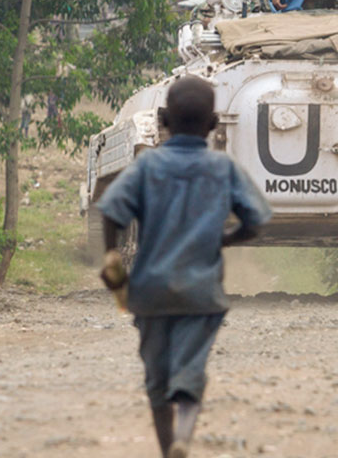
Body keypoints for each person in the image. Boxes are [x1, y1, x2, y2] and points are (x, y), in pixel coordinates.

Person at [96, 76, 272, 458]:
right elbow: (256, 220)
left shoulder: (147, 167)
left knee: (157, 383)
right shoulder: (222, 168)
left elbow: (111, 211)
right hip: (201, 292)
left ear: (162, 120)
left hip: (149, 292)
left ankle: (167, 450)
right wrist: (221, 239)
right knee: (190, 376)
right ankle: (185, 435)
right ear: (213, 125)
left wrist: (112, 258)